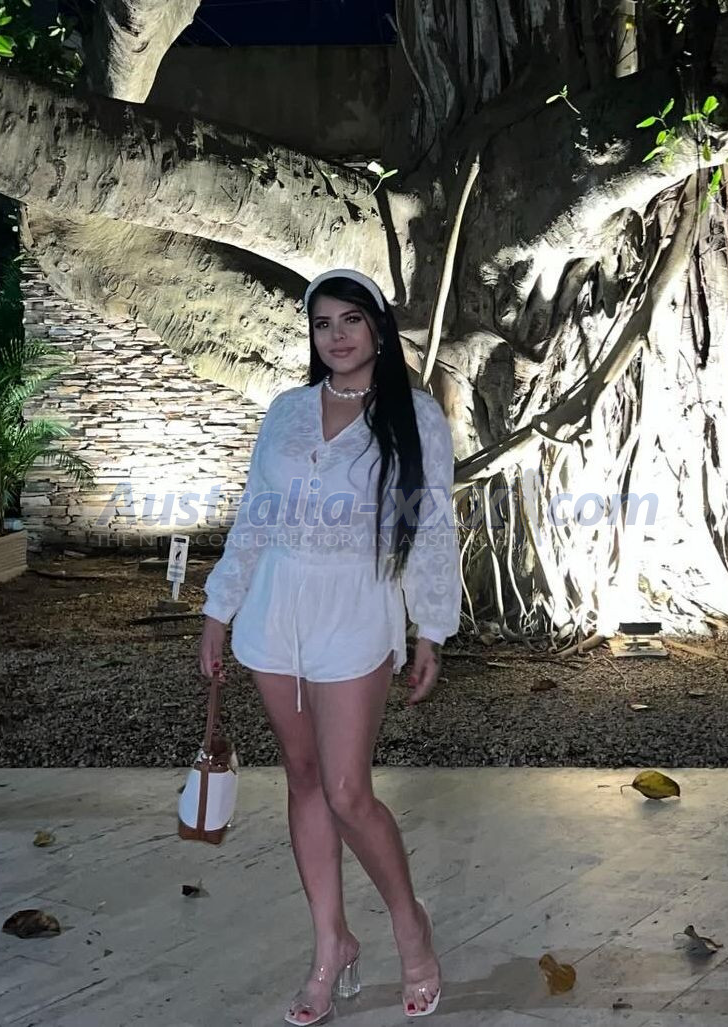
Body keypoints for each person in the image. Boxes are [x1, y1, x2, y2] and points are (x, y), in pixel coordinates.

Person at [198, 268, 461, 1022]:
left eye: (351, 320)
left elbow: (432, 525)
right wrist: (219, 609)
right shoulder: (286, 410)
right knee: (305, 777)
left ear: (377, 328)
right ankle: (330, 944)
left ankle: (409, 926)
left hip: (355, 605)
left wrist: (431, 627)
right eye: (323, 324)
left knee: (348, 790)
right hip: (274, 609)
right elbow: (255, 515)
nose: (337, 336)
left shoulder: (415, 416)